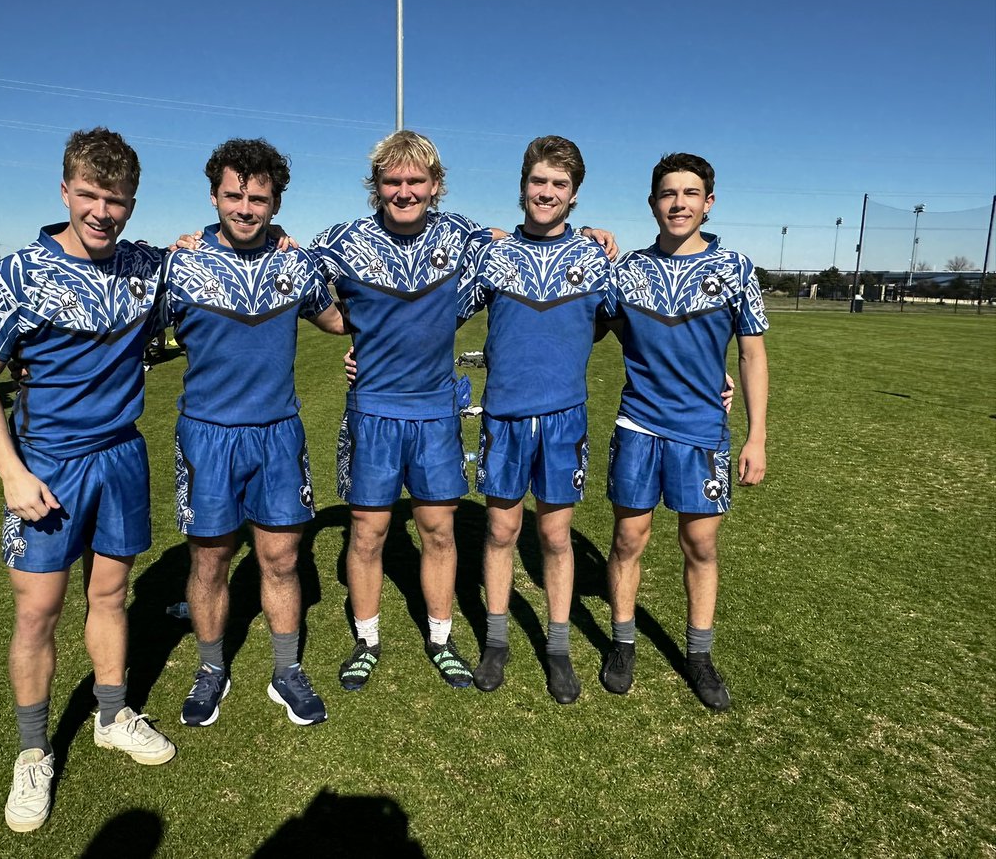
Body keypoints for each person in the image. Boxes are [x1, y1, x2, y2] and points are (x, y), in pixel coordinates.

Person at [314, 130, 618, 693]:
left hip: (436, 410)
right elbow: (296, 282)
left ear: (436, 186)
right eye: (392, 181)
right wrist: (356, 332)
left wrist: (597, 234)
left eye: (416, 181)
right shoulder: (341, 239)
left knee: (440, 530)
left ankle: (441, 637)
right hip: (373, 408)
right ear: (376, 186)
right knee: (366, 533)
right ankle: (367, 639)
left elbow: (602, 311)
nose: (404, 191)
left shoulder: (469, 240)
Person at [0, 127, 175, 834]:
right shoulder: (23, 270)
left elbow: (214, 249)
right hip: (47, 465)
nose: (102, 211)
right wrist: (11, 472)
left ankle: (112, 715)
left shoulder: (149, 264)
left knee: (111, 595)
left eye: (116, 199)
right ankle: (31, 752)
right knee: (37, 614)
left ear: (133, 200)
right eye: (89, 194)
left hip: (122, 456)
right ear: (65, 191)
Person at [169, 139, 345, 729]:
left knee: (281, 559)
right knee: (211, 563)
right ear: (214, 194)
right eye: (234, 195)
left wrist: (385, 340)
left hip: (277, 436)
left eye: (258, 198)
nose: (245, 208)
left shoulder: (297, 265)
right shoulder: (180, 265)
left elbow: (340, 317)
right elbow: (123, 321)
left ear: (276, 201)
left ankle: (286, 670)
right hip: (207, 436)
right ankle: (212, 668)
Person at [598, 153, 769, 712]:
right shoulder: (626, 272)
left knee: (700, 543)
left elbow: (751, 354)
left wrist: (756, 436)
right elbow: (597, 327)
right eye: (668, 194)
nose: (679, 203)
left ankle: (698, 655)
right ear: (653, 203)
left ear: (708, 203)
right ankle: (622, 643)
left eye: (690, 194)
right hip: (639, 424)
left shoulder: (736, 268)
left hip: (702, 431)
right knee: (629, 539)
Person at [459, 136, 611, 704]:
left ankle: (558, 646)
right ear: (523, 185)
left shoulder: (595, 258)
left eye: (559, 185)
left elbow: (635, 323)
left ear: (574, 196)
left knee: (554, 535)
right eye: (539, 182)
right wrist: (366, 350)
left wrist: (705, 378)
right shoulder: (491, 255)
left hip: (565, 421)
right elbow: (431, 313)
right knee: (501, 530)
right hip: (505, 416)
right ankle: (496, 642)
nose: (547, 193)